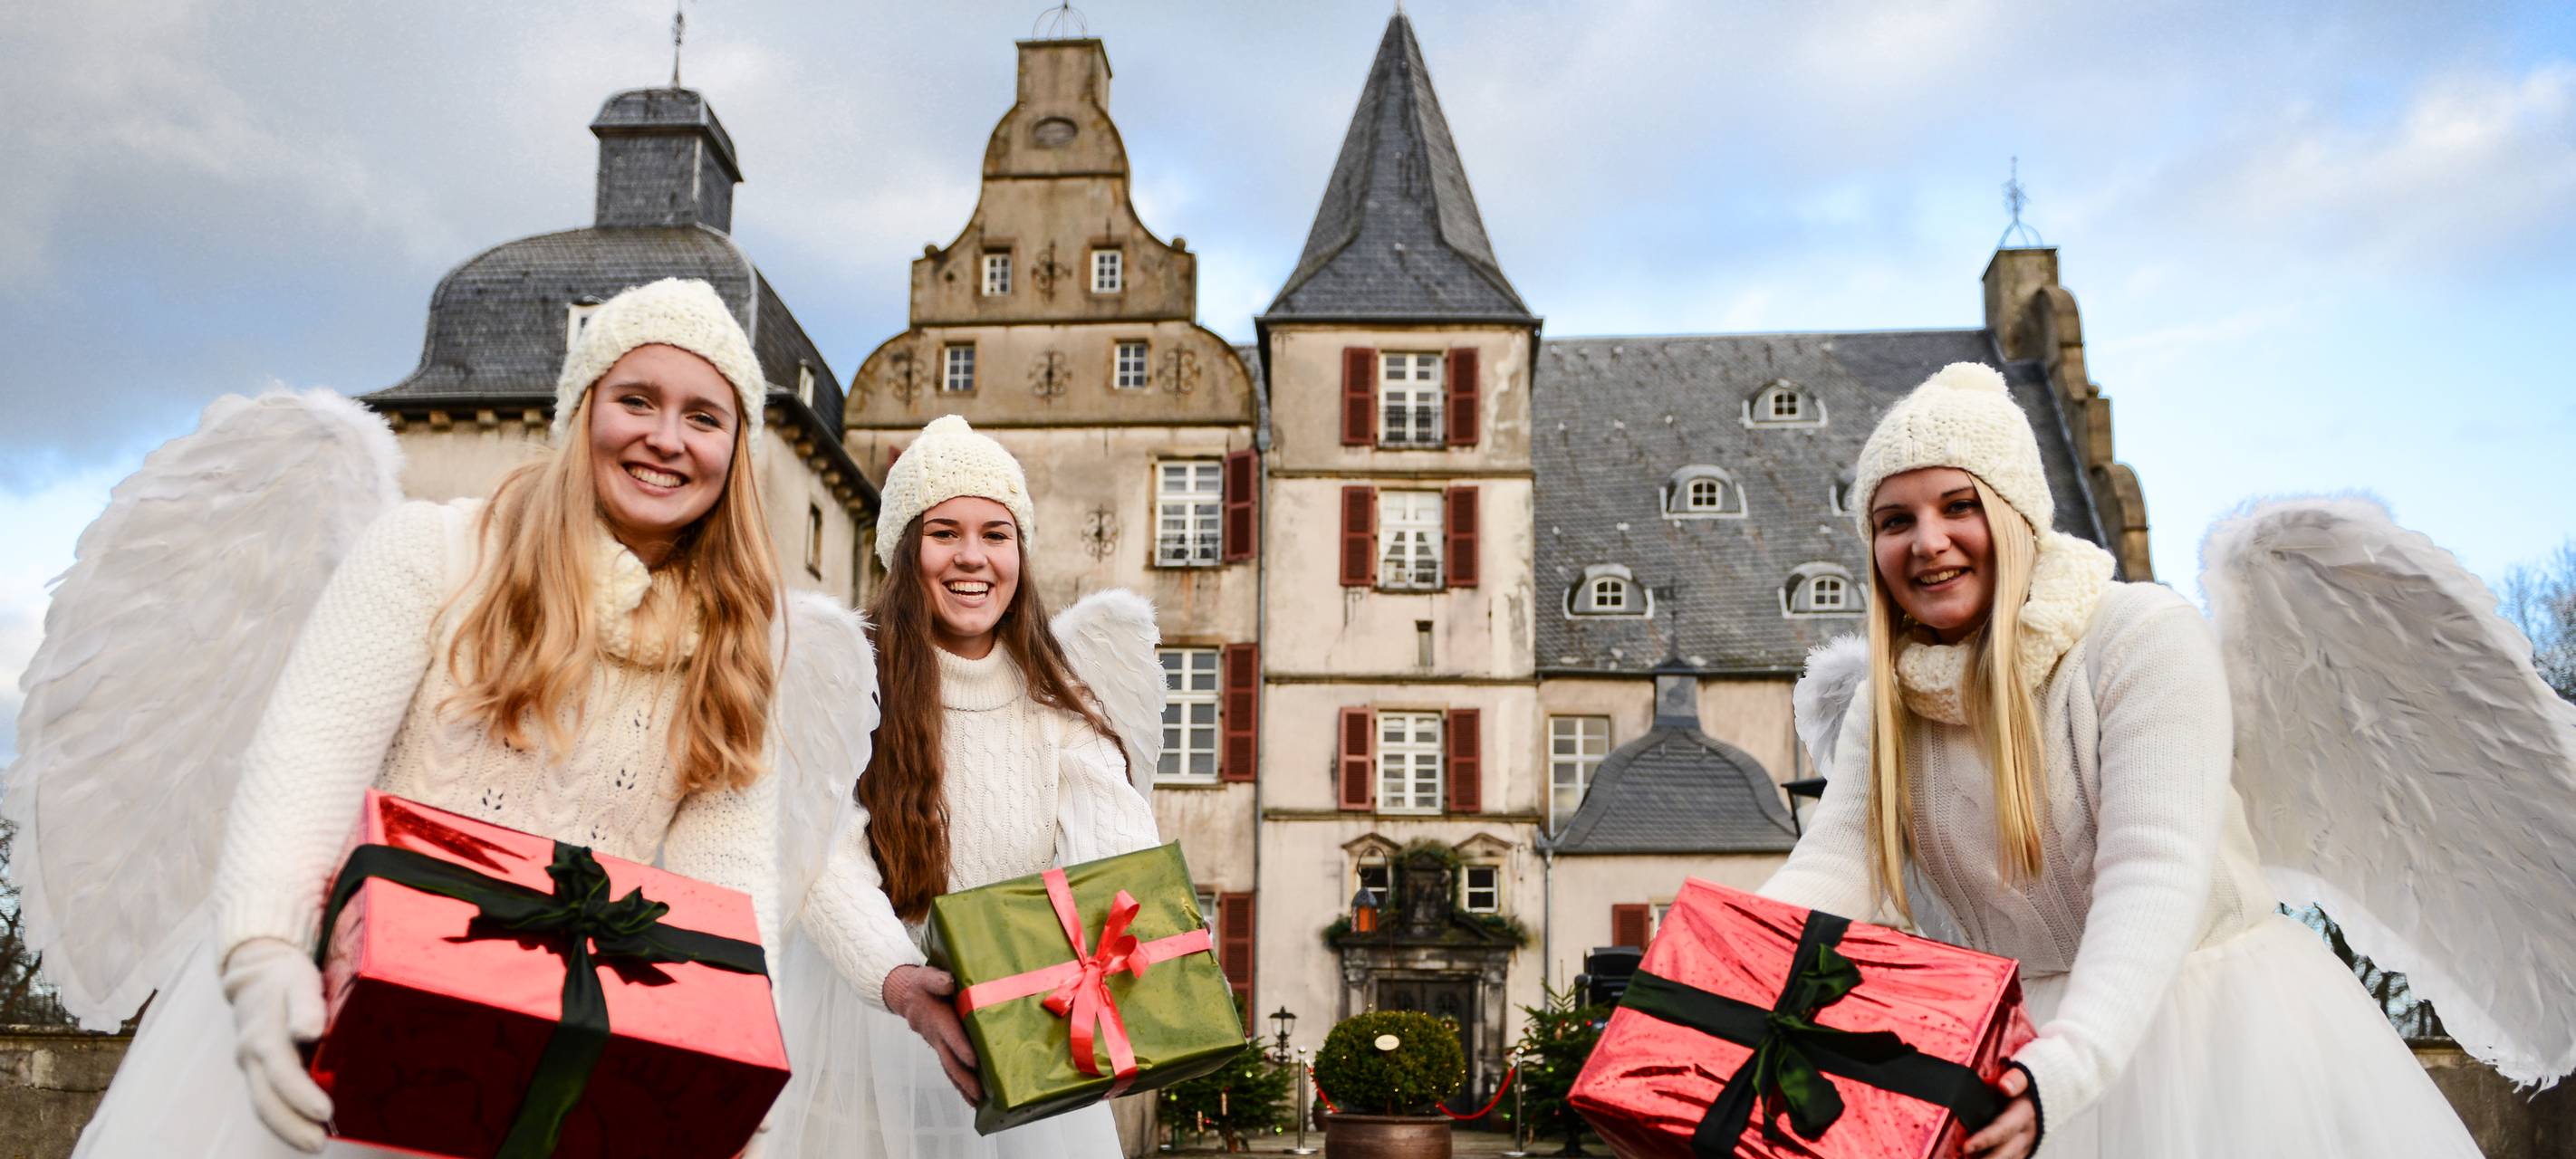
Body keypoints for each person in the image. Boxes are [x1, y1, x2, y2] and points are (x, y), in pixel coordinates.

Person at [67, 277, 792, 1156]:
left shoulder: (736, 650)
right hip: (356, 1027)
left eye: (704, 416)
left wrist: (736, 1063)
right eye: (636, 398)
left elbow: (733, 892)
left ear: (736, 448)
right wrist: (262, 953)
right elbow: (306, 760)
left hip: (556, 1071)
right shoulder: (433, 552)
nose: (666, 438)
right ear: (581, 412)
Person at [1761, 363, 2483, 1158]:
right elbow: (1834, 868)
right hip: (2006, 1057)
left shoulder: (2140, 636)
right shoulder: (1885, 696)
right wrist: (1700, 981)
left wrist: (2068, 1065)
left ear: (2015, 513)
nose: (1928, 542)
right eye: (1894, 520)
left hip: (2204, 1037)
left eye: (1958, 505)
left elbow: (2154, 868)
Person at [774, 414, 1164, 1158]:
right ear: (904, 551)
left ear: (1021, 552)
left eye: (996, 534)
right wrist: (899, 980)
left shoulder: (1061, 698)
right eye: (944, 532)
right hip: (877, 1025)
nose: (972, 558)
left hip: (1031, 1023)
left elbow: (1116, 855)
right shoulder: (846, 677)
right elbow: (821, 854)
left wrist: (1124, 991)